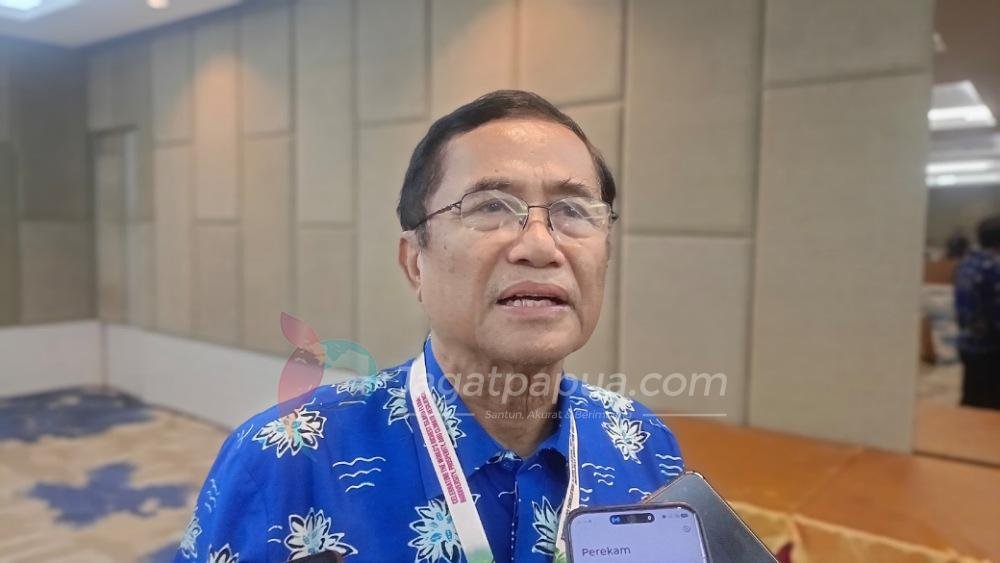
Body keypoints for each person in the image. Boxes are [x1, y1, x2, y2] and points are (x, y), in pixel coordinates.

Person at [176, 90, 683, 562]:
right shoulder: (284, 459)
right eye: (491, 207)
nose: (540, 246)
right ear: (415, 262)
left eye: (572, 210)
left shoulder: (642, 442)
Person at [954, 215, 1000, 409]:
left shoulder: (966, 264)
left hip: (968, 342)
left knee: (971, 397)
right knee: (991, 405)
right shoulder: (995, 268)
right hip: (991, 349)